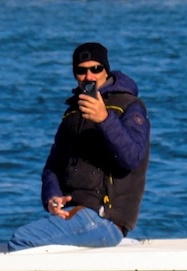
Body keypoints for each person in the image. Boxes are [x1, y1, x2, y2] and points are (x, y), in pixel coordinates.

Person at [8, 42, 151, 251]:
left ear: (106, 70)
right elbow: (53, 167)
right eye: (81, 71)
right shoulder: (73, 112)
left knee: (22, 240)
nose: (89, 77)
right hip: (75, 212)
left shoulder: (129, 106)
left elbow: (132, 157)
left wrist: (104, 119)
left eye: (96, 69)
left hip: (106, 219)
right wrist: (52, 197)